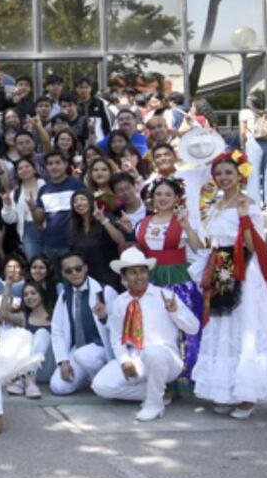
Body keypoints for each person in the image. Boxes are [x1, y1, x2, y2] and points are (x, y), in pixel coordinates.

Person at [192, 151, 267, 418]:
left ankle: (248, 396)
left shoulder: (247, 203)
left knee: (244, 326)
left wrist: (244, 218)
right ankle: (227, 390)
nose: (224, 177)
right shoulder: (215, 205)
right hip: (221, 268)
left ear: (241, 175)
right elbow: (211, 242)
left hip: (244, 270)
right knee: (222, 327)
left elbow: (254, 245)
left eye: (229, 172)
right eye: (219, 173)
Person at [91, 247, 201, 421]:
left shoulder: (165, 295)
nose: (139, 277)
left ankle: (154, 404)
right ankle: (159, 394)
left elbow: (194, 328)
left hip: (166, 358)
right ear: (124, 278)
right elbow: (116, 338)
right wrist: (125, 360)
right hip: (136, 359)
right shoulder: (120, 302)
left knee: (153, 352)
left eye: (142, 271)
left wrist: (175, 312)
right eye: (132, 273)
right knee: (101, 386)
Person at [136, 177, 205, 391]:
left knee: (182, 329)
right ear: (152, 198)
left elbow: (199, 249)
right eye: (159, 194)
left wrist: (188, 227)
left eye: (168, 194)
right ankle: (160, 379)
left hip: (178, 281)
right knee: (154, 329)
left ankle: (186, 376)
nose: (163, 198)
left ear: (176, 198)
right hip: (152, 281)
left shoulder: (183, 222)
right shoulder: (143, 223)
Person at [49, 253, 114, 396]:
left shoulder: (105, 292)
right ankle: (86, 377)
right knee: (58, 387)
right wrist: (63, 361)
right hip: (77, 350)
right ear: (63, 274)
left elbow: (118, 328)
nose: (74, 273)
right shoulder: (65, 295)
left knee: (83, 355)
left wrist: (104, 318)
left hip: (101, 350)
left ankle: (101, 381)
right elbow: (57, 330)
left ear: (85, 268)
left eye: (78, 268)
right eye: (68, 271)